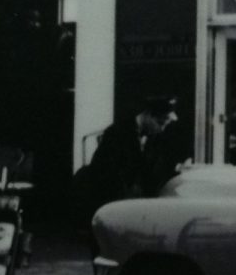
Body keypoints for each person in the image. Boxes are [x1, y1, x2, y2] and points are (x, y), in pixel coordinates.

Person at [73, 94, 182, 226]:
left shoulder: (153, 138)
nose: (161, 129)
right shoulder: (117, 133)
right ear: (147, 115)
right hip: (113, 202)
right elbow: (109, 176)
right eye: (160, 123)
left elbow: (154, 170)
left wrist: (177, 170)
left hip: (133, 203)